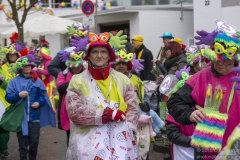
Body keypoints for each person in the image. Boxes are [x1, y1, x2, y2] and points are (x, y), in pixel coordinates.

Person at [167, 29, 240, 160]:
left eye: (226, 59)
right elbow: (175, 101)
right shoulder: (201, 76)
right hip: (206, 149)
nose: (220, 63)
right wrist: (189, 114)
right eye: (216, 58)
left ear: (234, 58)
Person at [66, 32, 139, 159]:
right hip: (89, 143)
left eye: (103, 52)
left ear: (109, 56)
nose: (99, 56)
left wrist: (130, 129)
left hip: (120, 140)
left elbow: (132, 108)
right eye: (95, 52)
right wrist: (107, 114)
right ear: (88, 56)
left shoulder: (123, 79)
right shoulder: (77, 80)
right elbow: (74, 112)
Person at [5, 52, 56, 160]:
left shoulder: (37, 81)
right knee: (23, 144)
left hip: (34, 118)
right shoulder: (14, 81)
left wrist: (39, 102)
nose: (28, 67)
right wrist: (18, 95)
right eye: (25, 65)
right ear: (20, 68)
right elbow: (8, 97)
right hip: (20, 118)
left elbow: (43, 96)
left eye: (30, 65)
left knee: (34, 142)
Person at [56, 49, 84, 146]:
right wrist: (75, 81)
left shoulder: (87, 73)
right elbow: (60, 87)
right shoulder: (63, 74)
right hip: (68, 109)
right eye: (74, 66)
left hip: (84, 109)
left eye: (79, 65)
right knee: (71, 139)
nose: (77, 68)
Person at [0, 43, 23, 158]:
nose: (12, 56)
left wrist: (4, 83)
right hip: (1, 100)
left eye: (14, 54)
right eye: (10, 54)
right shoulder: (2, 67)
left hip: (12, 101)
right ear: (7, 56)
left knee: (5, 126)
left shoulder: (21, 68)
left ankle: (4, 148)